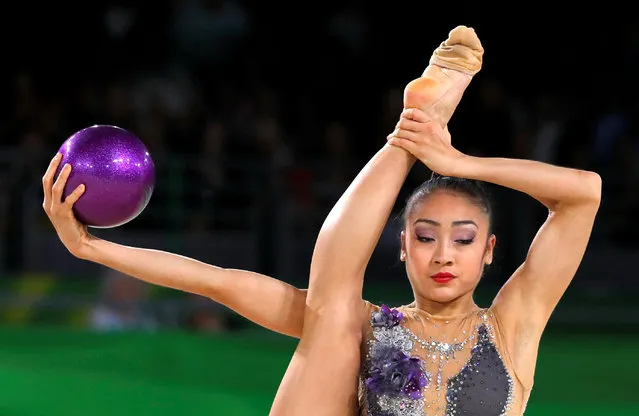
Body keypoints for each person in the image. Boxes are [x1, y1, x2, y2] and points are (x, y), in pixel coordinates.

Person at [42, 25, 601, 416]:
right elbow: (219, 283)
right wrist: (92, 250)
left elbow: (584, 194)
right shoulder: (366, 328)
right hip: (342, 335)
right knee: (332, 311)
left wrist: (458, 163)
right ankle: (409, 130)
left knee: (329, 311)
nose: (444, 254)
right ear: (403, 246)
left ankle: (416, 126)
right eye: (425, 236)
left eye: (463, 238)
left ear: (489, 251)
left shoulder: (511, 326)